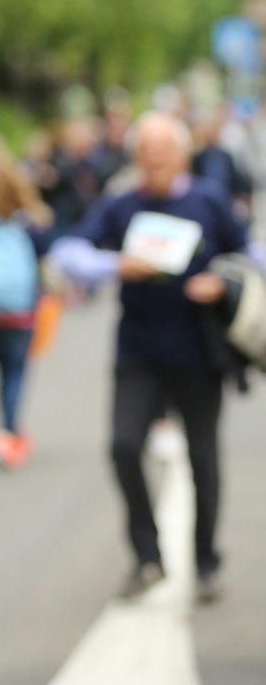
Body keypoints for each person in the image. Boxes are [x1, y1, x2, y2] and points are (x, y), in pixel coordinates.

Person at [50, 112, 249, 602]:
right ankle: (147, 558)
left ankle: (205, 563)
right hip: (137, 350)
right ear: (136, 157)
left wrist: (221, 282)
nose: (156, 158)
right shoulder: (121, 204)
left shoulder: (209, 200)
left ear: (181, 154)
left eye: (165, 149)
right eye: (147, 150)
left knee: (203, 459)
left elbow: (251, 254)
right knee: (122, 447)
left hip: (200, 353)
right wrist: (116, 263)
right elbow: (67, 253)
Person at [0, 156, 53, 469]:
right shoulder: (31, 228)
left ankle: (5, 429)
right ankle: (8, 432)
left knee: (2, 371)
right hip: (20, 311)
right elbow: (47, 269)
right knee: (16, 371)